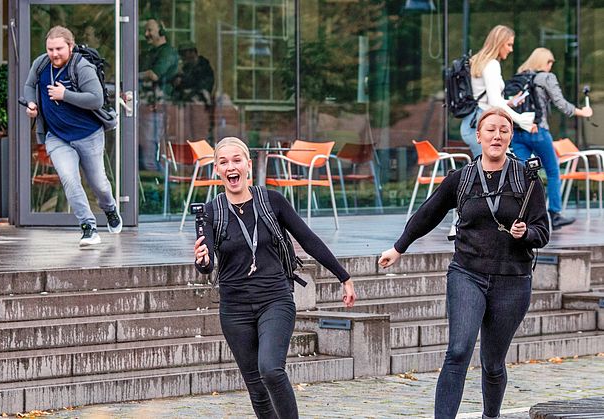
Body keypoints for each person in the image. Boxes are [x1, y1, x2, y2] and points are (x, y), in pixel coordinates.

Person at [380, 108, 549, 419]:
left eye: (503, 130)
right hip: (467, 273)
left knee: (493, 363)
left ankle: (491, 416)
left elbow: (543, 231)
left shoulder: (527, 178)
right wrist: (399, 247)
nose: (497, 135)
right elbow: (428, 213)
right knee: (458, 351)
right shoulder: (461, 178)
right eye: (490, 130)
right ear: (479, 136)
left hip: (512, 279)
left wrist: (526, 234)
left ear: (510, 137)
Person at [193, 137, 356, 419]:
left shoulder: (272, 201)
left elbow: (308, 239)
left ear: (248, 165)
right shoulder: (212, 212)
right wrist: (203, 261)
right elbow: (207, 263)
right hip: (234, 308)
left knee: (270, 369)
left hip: (275, 299)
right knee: (256, 387)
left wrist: (344, 276)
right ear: (217, 170)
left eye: (236, 160)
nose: (231, 167)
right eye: (223, 162)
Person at [24, 25, 122, 246]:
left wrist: (64, 94)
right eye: (50, 49)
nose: (54, 54)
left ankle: (110, 208)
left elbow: (96, 99)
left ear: (70, 46)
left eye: (59, 48)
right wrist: (32, 104)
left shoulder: (81, 67)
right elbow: (29, 86)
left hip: (88, 134)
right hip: (57, 136)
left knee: (99, 184)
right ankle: (88, 226)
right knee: (69, 179)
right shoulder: (41, 64)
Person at [512, 47, 593, 230]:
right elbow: (561, 104)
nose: (551, 67)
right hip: (538, 131)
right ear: (545, 62)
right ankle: (554, 214)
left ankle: (523, 214)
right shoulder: (546, 77)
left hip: (517, 133)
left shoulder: (520, 77)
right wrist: (583, 112)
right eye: (550, 63)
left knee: (524, 175)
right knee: (553, 170)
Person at [461, 25, 536, 158]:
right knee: (492, 173)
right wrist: (521, 120)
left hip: (474, 123)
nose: (511, 49)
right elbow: (494, 101)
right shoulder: (491, 65)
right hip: (482, 124)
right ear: (499, 43)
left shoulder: (480, 62)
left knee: (494, 171)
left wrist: (509, 103)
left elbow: (488, 98)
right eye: (508, 44)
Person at [138, 18, 178, 171]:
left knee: (149, 152)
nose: (146, 34)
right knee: (142, 150)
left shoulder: (167, 52)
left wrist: (132, 76)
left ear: (161, 31)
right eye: (145, 31)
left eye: (150, 30)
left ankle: (156, 190)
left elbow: (154, 75)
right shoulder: (148, 53)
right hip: (143, 106)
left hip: (156, 107)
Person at [173, 42, 214, 140]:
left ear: (192, 53)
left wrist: (184, 82)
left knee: (199, 134)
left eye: (184, 54)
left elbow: (203, 85)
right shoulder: (186, 68)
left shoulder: (204, 67)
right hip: (186, 106)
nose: (183, 58)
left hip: (199, 104)